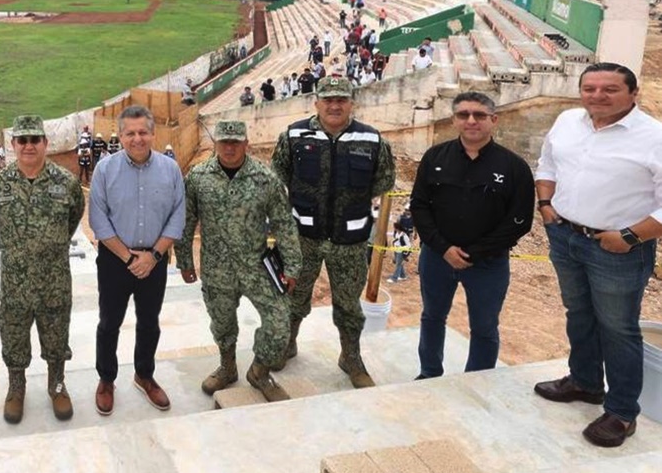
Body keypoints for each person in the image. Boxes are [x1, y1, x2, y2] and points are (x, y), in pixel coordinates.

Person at [534, 63, 662, 448]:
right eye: (589, 88)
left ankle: (622, 412)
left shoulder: (654, 137)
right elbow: (548, 163)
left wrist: (627, 236)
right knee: (579, 314)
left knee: (618, 329)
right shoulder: (568, 121)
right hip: (566, 236)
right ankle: (585, 382)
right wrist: (545, 204)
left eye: (609, 89)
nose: (597, 96)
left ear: (633, 94)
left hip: (619, 249)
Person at [271, 76, 395, 388]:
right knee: (294, 295)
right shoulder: (294, 135)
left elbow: (383, 182)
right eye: (328, 99)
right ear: (317, 103)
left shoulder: (372, 140)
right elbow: (280, 174)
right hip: (304, 238)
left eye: (341, 99)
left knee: (349, 304)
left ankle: (350, 356)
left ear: (352, 103)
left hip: (350, 241)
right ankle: (288, 343)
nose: (335, 105)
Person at [410, 92, 534, 380]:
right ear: (454, 120)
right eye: (463, 114)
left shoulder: (513, 167)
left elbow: (519, 221)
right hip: (437, 258)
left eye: (479, 115)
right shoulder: (434, 157)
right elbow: (419, 205)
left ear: (494, 120)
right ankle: (429, 373)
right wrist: (443, 249)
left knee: (485, 327)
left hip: (488, 264)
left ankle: (477, 381)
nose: (471, 121)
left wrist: (475, 253)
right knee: (432, 317)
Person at [176, 121, 302, 401]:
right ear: (216, 144)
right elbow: (186, 222)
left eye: (236, 142)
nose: (230, 148)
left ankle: (259, 371)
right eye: (224, 142)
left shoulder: (265, 178)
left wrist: (292, 266)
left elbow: (284, 223)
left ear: (246, 143)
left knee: (280, 322)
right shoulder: (198, 178)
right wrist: (184, 260)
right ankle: (227, 366)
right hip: (216, 268)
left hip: (258, 267)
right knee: (221, 324)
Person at [0, 115, 85, 424]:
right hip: (15, 283)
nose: (28, 146)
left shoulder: (65, 182)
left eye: (34, 140)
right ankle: (17, 386)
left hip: (53, 281)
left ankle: (57, 384)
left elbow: (73, 220)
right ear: (12, 144)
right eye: (22, 140)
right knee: (13, 337)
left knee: (56, 338)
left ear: (45, 143)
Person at [89, 105, 185, 415]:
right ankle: (106, 378)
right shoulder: (104, 169)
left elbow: (177, 217)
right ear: (120, 135)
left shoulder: (170, 170)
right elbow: (99, 221)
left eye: (143, 132)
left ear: (153, 134)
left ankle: (144, 375)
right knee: (109, 323)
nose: (137, 138)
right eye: (130, 133)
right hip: (116, 259)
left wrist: (154, 255)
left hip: (155, 259)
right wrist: (130, 258)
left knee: (149, 322)